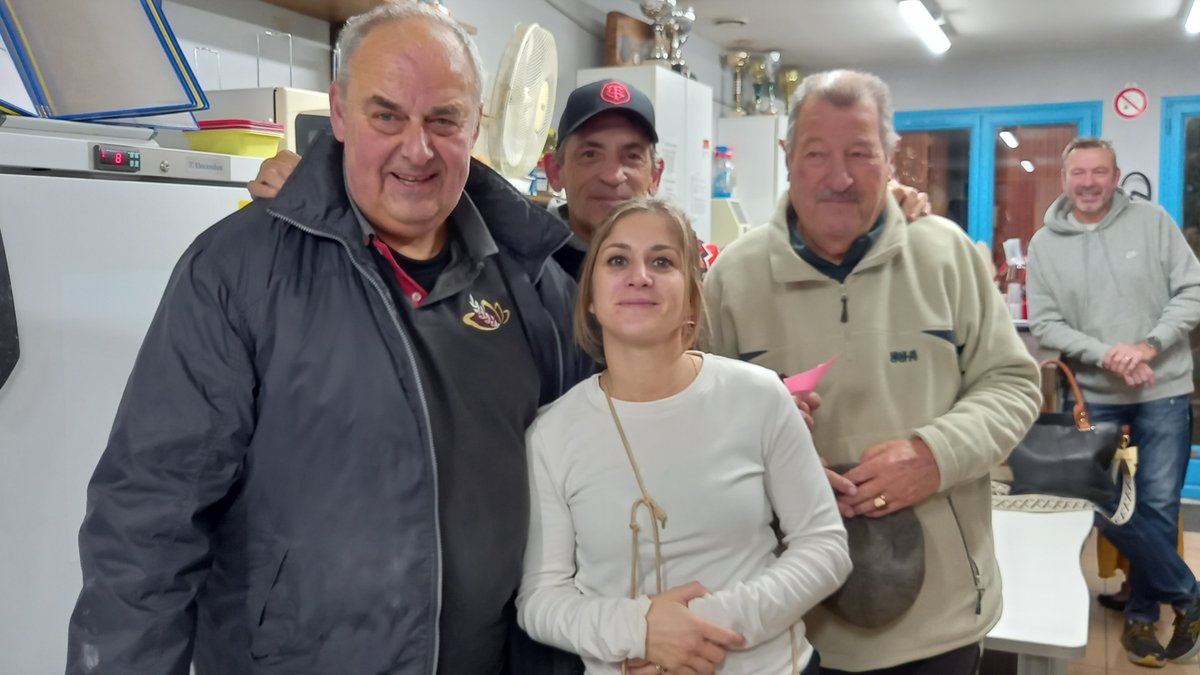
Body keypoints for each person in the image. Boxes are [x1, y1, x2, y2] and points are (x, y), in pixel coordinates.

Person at [65, 3, 591, 674]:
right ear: (339, 112)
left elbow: (597, 488)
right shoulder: (238, 271)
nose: (417, 147)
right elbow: (147, 523)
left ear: (477, 123)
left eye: (444, 119)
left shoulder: (535, 280)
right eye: (386, 115)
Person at [703, 69, 1042, 674]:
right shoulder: (731, 277)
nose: (839, 177)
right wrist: (756, 427)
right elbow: (696, 423)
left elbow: (1013, 384)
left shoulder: (949, 256)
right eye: (816, 155)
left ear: (890, 158)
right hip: (784, 625)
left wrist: (934, 455)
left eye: (860, 154)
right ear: (788, 159)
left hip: (938, 624)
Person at [517, 197, 851, 675]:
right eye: (617, 260)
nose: (640, 276)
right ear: (589, 296)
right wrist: (640, 631)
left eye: (662, 261)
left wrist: (698, 627)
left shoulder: (758, 396)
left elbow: (824, 548)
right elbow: (541, 598)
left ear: (693, 296)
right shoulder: (553, 433)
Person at [1026, 136, 1200, 668]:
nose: (1088, 183)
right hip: (1093, 397)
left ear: (1115, 174)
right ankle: (1188, 593)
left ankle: (1142, 620)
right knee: (1098, 502)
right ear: (1064, 179)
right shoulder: (1043, 244)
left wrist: (1147, 346)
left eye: (1099, 172)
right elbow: (1046, 323)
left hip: (1162, 389)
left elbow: (1192, 290)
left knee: (1156, 507)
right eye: (1078, 173)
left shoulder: (1152, 223)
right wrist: (1110, 355)